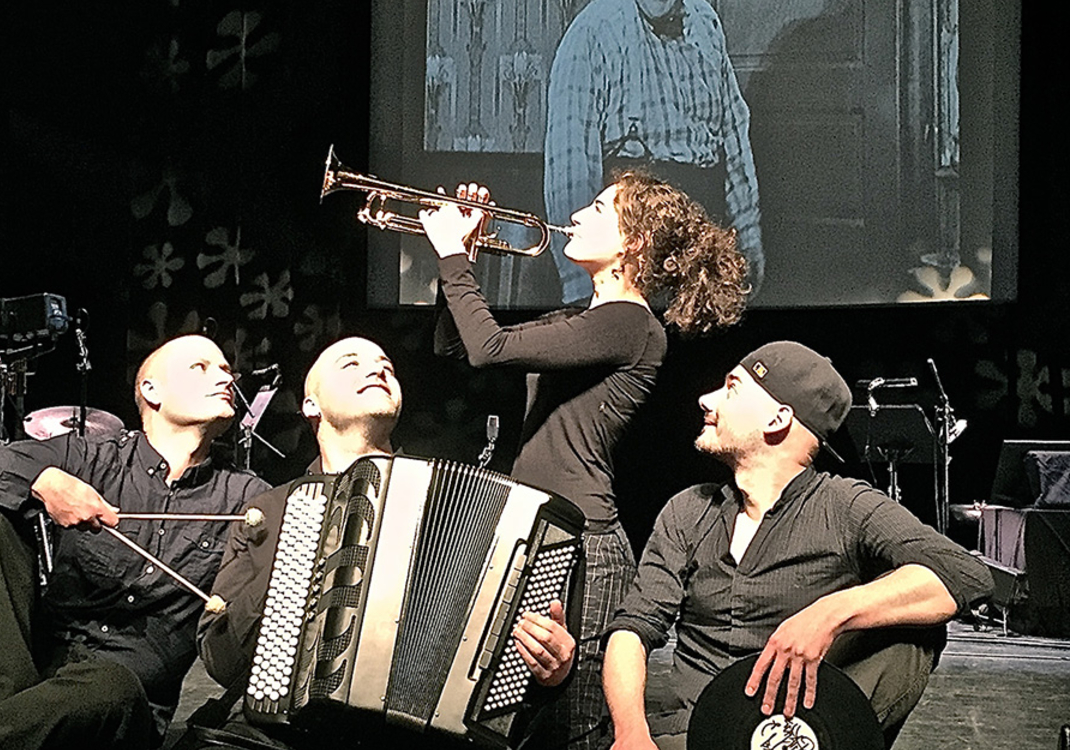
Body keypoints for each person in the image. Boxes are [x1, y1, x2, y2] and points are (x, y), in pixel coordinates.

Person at [418, 174, 748, 750]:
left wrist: (452, 254)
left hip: (583, 543)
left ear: (634, 243)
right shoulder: (584, 318)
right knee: (519, 720)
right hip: (541, 529)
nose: (575, 214)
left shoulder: (629, 323)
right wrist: (465, 256)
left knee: (579, 727)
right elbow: (457, 345)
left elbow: (488, 348)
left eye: (598, 208)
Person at [601, 341, 995, 750]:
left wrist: (829, 614)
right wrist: (632, 734)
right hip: (692, 733)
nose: (706, 399)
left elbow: (966, 576)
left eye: (732, 388)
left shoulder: (844, 505)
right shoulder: (687, 511)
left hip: (789, 733)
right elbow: (633, 628)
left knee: (916, 631)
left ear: (778, 418)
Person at [193, 336, 577, 748]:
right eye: (350, 364)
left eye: (386, 366)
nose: (376, 370)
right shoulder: (271, 511)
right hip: (289, 736)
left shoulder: (459, 504)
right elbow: (220, 656)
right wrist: (289, 574)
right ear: (311, 405)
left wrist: (553, 668)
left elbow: (519, 668)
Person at [0, 334, 271, 750]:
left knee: (110, 682)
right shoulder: (92, 458)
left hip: (121, 706)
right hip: (20, 679)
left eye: (226, 369)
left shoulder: (247, 499)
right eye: (200, 367)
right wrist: (43, 480)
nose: (225, 376)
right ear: (151, 391)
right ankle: (5, 730)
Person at [544, 0, 763, 303]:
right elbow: (570, 164)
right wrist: (580, 287)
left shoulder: (704, 21)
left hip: (703, 247)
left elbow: (734, 135)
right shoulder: (592, 32)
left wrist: (749, 239)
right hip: (635, 260)